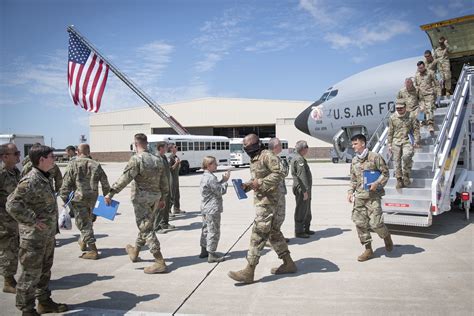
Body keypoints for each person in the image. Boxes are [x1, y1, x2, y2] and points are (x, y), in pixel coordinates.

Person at [6, 145, 68, 315]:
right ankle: (27, 310)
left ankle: (44, 302)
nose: (54, 159)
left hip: (46, 236)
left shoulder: (44, 177)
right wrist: (32, 220)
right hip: (33, 238)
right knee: (29, 275)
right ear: (41, 160)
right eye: (51, 157)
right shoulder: (31, 180)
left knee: (44, 272)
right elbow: (12, 204)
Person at [228, 134, 296, 284]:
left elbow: (280, 173)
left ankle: (249, 270)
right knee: (274, 234)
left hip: (270, 203)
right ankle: (288, 263)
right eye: (244, 147)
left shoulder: (267, 156)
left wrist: (261, 182)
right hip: (265, 201)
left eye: (248, 146)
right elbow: (258, 179)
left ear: (256, 145)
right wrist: (246, 186)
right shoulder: (256, 158)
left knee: (258, 234)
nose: (246, 149)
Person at [104, 133, 169, 274]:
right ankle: (135, 252)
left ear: (135, 143)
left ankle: (159, 261)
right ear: (146, 143)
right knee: (147, 224)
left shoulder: (136, 159)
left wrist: (111, 193)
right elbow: (165, 181)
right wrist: (163, 198)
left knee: (145, 228)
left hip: (141, 198)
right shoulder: (157, 159)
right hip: (155, 197)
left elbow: (125, 178)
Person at [347, 134, 393, 262]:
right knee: (360, 223)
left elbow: (385, 173)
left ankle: (386, 236)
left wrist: (377, 183)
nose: (353, 146)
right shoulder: (354, 160)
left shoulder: (375, 157)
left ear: (362, 143)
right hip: (360, 197)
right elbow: (353, 178)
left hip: (373, 196)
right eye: (352, 144)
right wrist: (350, 191)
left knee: (376, 223)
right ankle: (368, 249)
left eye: (355, 144)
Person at [59, 143, 110, 260]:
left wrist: (65, 199)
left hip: (79, 199)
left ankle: (93, 250)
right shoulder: (96, 164)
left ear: (77, 151)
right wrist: (107, 196)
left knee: (83, 224)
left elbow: (65, 185)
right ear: (89, 151)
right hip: (93, 199)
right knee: (88, 221)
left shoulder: (72, 164)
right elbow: (105, 183)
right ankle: (83, 240)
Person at [199, 156, 230, 263]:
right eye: (215, 164)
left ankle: (204, 250)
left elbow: (214, 187)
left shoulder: (205, 176)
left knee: (206, 229)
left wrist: (222, 180)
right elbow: (220, 190)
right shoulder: (211, 178)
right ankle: (212, 254)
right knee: (214, 230)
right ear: (209, 165)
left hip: (206, 208)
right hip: (212, 209)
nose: (216, 165)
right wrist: (225, 182)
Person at [0, 143, 21, 294]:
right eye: (16, 153)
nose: (19, 155)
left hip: (15, 219)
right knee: (7, 250)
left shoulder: (15, 172)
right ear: (5, 157)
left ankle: (11, 278)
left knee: (14, 249)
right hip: (3, 221)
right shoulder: (1, 174)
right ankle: (8, 281)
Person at [388, 100, 420, 189]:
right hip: (396, 141)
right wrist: (389, 144)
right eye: (397, 108)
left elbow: (416, 129)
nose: (399, 110)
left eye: (401, 108)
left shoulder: (411, 116)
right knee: (396, 161)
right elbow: (390, 132)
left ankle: (406, 174)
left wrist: (416, 141)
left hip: (407, 140)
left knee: (407, 156)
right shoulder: (392, 118)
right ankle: (399, 179)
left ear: (405, 107)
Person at [268, 137, 290, 242]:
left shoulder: (274, 158)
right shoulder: (272, 159)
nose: (282, 147)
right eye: (280, 145)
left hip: (278, 192)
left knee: (278, 216)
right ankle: (272, 238)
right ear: (276, 147)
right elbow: (283, 173)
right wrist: (286, 166)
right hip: (275, 193)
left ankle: (275, 235)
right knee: (278, 216)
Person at [291, 140, 313, 238]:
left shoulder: (299, 158)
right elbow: (302, 176)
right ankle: (299, 231)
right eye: (307, 148)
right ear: (303, 149)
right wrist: (305, 191)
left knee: (306, 209)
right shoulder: (299, 159)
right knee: (301, 209)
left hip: (304, 189)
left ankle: (305, 228)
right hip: (302, 189)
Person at [154, 142, 175, 234]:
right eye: (166, 147)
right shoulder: (156, 158)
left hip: (166, 185)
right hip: (160, 187)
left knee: (166, 207)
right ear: (161, 148)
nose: (167, 148)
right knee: (159, 208)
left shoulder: (164, 157)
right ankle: (156, 227)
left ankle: (164, 223)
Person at [415, 60, 437, 133]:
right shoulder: (417, 75)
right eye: (419, 68)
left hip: (429, 94)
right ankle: (422, 122)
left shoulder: (430, 73)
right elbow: (416, 85)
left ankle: (430, 124)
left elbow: (436, 83)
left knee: (429, 108)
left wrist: (438, 94)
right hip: (421, 96)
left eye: (421, 68)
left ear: (424, 66)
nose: (420, 69)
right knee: (421, 110)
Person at [169, 144, 184, 215]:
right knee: (172, 195)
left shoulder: (176, 157)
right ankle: (168, 211)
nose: (176, 148)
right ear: (171, 149)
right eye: (175, 147)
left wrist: (178, 164)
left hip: (176, 178)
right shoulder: (170, 157)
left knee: (177, 195)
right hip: (172, 179)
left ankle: (176, 208)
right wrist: (176, 163)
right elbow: (170, 169)